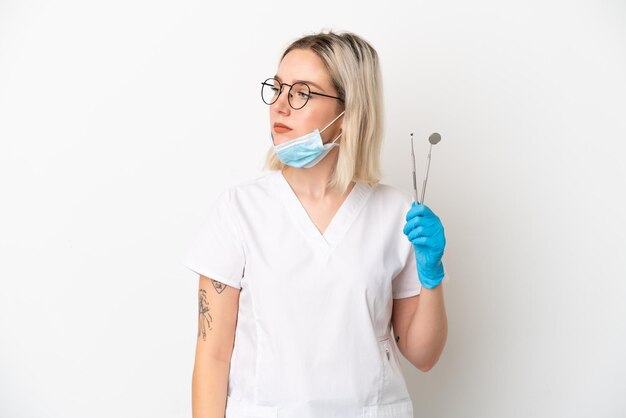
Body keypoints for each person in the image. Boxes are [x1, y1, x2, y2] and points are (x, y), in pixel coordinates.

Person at [182, 30, 449, 418]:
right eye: (277, 88)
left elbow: (423, 356)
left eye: (302, 92)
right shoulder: (240, 211)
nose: (280, 106)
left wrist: (432, 276)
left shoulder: (396, 213)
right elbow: (212, 357)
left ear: (349, 112)